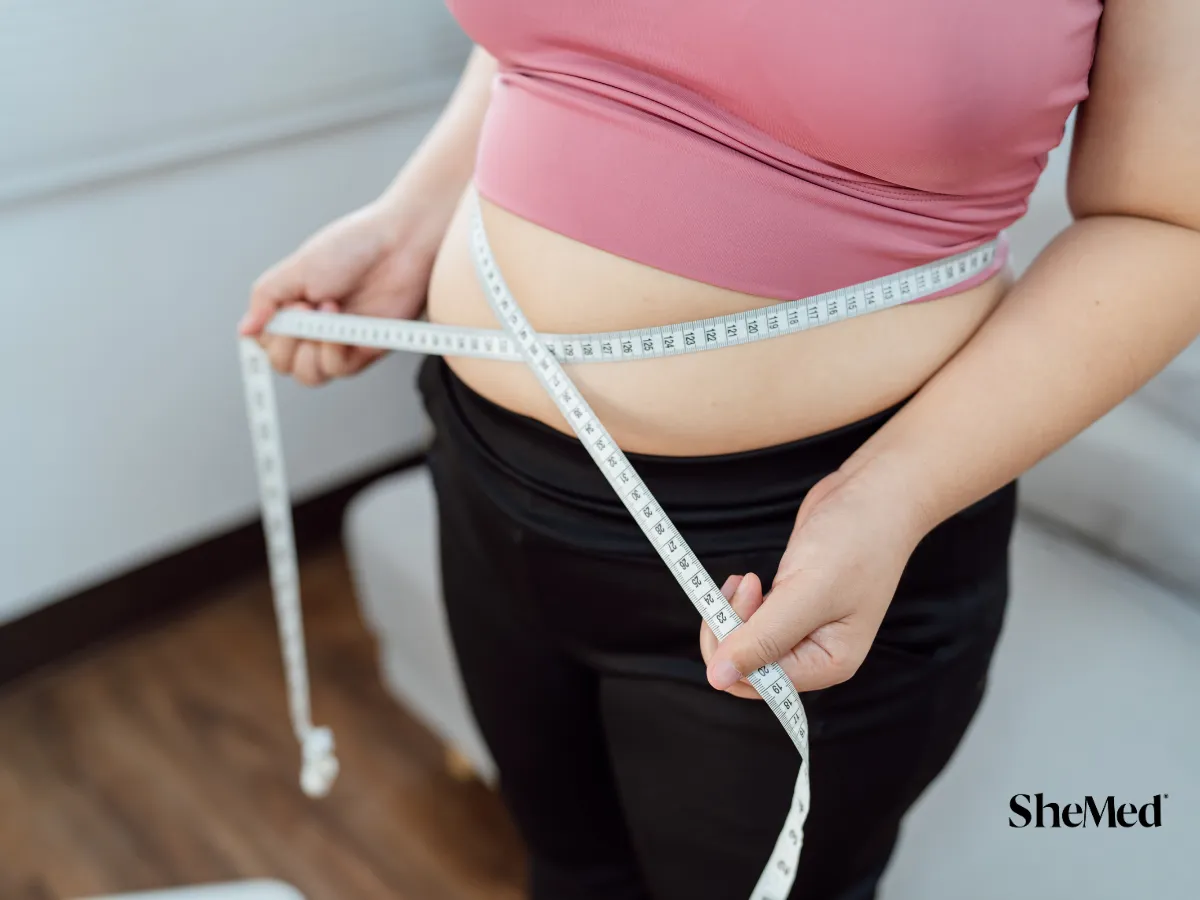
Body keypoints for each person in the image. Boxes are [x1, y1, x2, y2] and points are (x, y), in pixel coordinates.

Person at [239, 2, 1200, 897]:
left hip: (805, 551)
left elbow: (1169, 220)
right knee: (569, 874)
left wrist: (891, 496)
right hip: (483, 468)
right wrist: (414, 216)